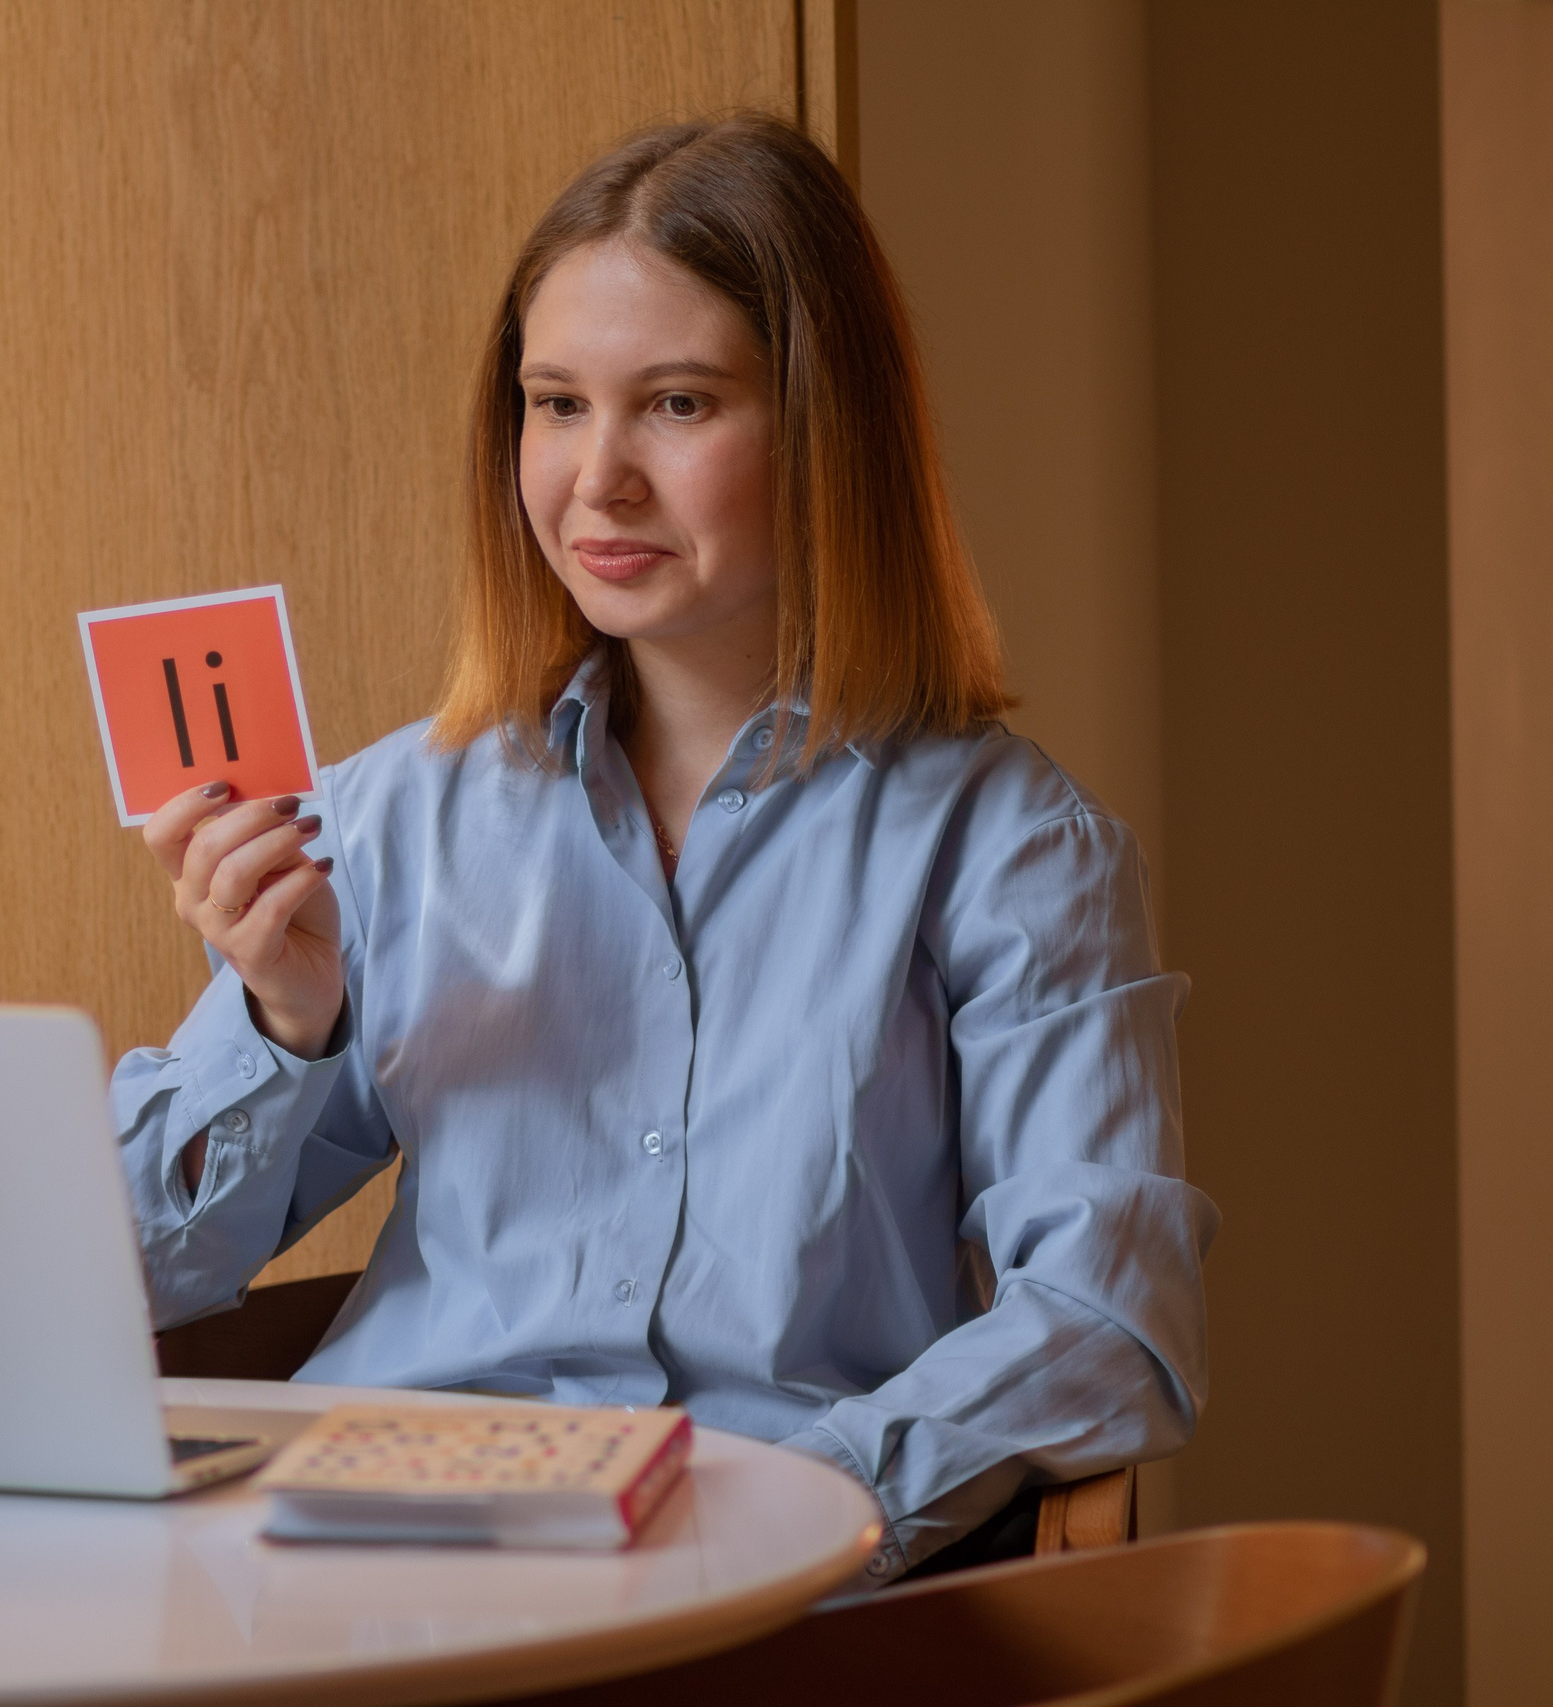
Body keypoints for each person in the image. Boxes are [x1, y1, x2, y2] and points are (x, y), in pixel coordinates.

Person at [110, 113, 1215, 1581]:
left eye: (679, 406)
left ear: (826, 431)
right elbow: (131, 1281)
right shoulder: (380, 816)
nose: (598, 480)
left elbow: (1109, 1319)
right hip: (368, 1588)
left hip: (774, 1601)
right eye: (556, 405)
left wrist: (791, 1510)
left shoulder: (1013, 846)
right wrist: (281, 1022)